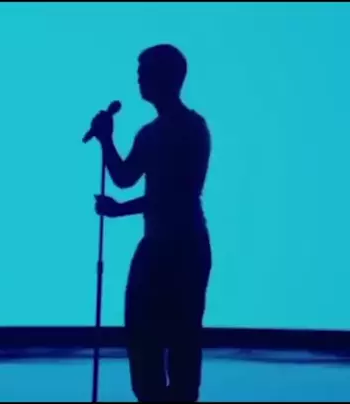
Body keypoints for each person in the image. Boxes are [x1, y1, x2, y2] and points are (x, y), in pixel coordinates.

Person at [89, 44, 212, 402]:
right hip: (156, 245)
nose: (139, 80)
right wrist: (106, 139)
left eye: (145, 73)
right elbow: (125, 177)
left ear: (168, 77)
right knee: (142, 337)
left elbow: (177, 194)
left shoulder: (191, 128)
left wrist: (119, 210)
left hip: (184, 248)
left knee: (182, 339)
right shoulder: (149, 132)